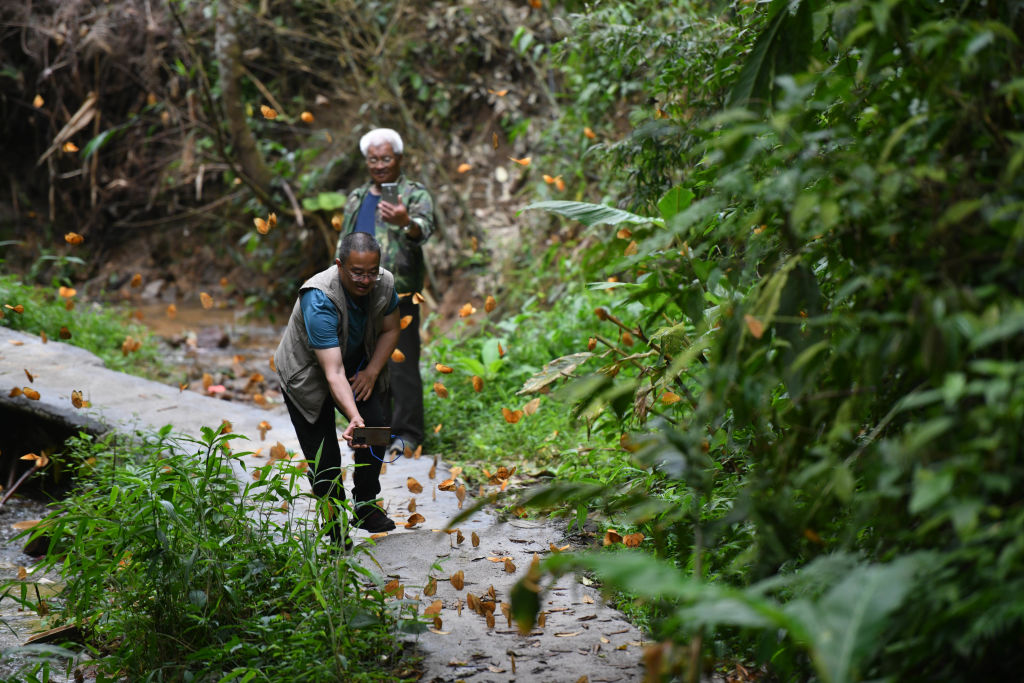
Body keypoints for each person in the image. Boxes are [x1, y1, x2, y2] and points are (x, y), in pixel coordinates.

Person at [274, 232, 401, 544]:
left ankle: (366, 505)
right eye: (357, 272)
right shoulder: (318, 296)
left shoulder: (384, 283)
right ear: (340, 265)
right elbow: (332, 372)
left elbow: (391, 328)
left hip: (354, 366)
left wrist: (372, 371)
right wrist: (353, 416)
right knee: (324, 457)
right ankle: (336, 529)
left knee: (376, 429)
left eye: (372, 272)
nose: (365, 280)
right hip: (307, 375)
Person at [334, 128, 436, 459]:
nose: (379, 165)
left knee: (402, 365)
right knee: (364, 363)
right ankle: (375, 433)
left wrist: (406, 221)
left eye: (386, 158)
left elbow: (424, 231)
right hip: (358, 295)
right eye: (373, 159)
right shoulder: (357, 197)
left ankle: (407, 435)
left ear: (399, 159)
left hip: (399, 294)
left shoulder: (413, 194)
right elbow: (344, 244)